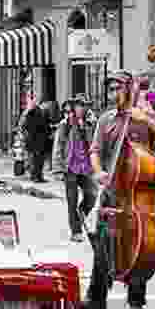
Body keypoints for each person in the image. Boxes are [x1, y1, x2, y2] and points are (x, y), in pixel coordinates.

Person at [83, 70, 155, 309]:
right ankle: (96, 294)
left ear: (129, 89)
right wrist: (99, 171)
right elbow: (94, 150)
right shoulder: (106, 119)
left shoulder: (144, 115)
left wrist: (145, 119)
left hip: (134, 194)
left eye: (118, 89)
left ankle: (136, 299)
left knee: (139, 242)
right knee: (101, 241)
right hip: (111, 190)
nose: (114, 94)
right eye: (110, 90)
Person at [52, 97, 97, 242]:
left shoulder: (90, 123)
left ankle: (81, 212)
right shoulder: (65, 125)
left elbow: (96, 143)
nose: (82, 109)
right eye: (79, 106)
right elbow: (58, 146)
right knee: (72, 200)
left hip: (86, 166)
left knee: (92, 195)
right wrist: (57, 168)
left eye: (84, 106)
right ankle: (76, 231)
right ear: (74, 108)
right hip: (70, 167)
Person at [22, 93, 50, 183]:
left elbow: (45, 124)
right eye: (32, 100)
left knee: (39, 159)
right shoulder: (30, 113)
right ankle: (35, 176)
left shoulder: (41, 111)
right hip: (34, 139)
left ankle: (38, 176)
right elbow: (26, 126)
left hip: (40, 139)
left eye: (35, 100)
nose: (34, 101)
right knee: (35, 159)